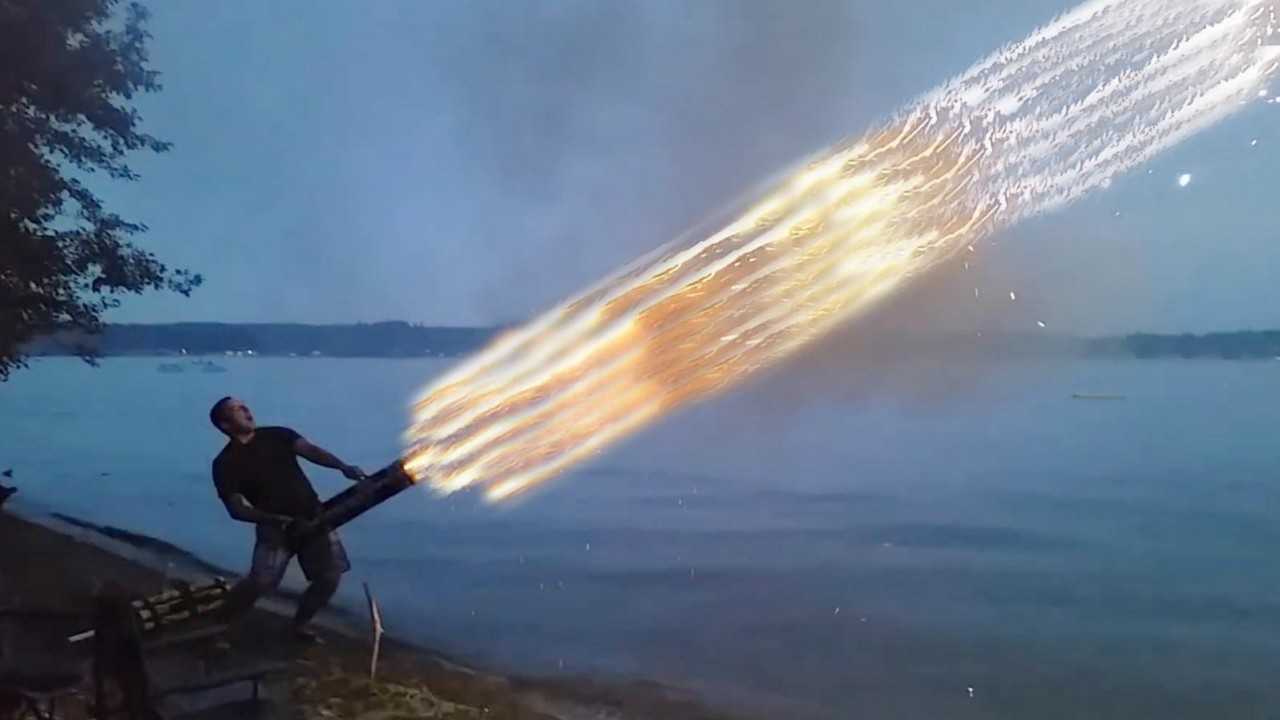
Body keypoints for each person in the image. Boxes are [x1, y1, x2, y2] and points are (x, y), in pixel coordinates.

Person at [208, 396, 366, 643]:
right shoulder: (225, 463)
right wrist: (276, 520)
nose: (247, 410)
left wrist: (342, 466)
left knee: (329, 577)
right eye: (237, 409)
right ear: (225, 425)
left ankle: (299, 626)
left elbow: (311, 450)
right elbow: (236, 509)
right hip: (275, 529)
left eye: (245, 405)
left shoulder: (278, 435)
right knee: (260, 582)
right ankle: (220, 625)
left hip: (314, 517)